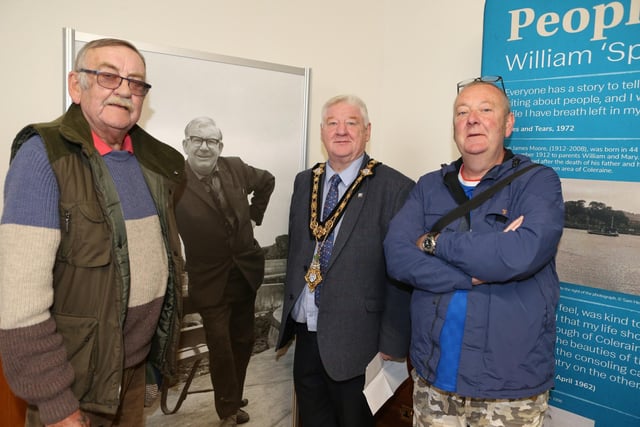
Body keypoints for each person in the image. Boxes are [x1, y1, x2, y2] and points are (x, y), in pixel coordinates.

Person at [0, 38, 186, 426]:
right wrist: (55, 403)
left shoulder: (156, 164)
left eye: (136, 82)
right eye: (108, 76)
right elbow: (19, 302)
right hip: (73, 389)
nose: (123, 89)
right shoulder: (44, 156)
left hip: (131, 377)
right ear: (75, 85)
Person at [383, 77, 564, 427]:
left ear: (508, 124)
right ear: (454, 127)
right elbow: (397, 256)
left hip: (509, 388)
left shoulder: (538, 182)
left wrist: (433, 242)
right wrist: (471, 274)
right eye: (462, 112)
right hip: (433, 379)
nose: (472, 119)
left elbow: (520, 253)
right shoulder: (428, 186)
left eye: (485, 110)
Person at [276, 94, 414, 427]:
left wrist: (394, 344)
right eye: (332, 123)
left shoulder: (394, 187)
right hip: (307, 335)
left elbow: (403, 274)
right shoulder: (304, 181)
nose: (341, 131)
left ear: (367, 131)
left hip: (359, 344)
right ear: (322, 132)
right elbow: (298, 250)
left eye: (351, 123)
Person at [175, 116, 275, 427]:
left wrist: (256, 215)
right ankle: (228, 411)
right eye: (197, 140)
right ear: (186, 144)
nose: (204, 147)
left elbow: (267, 180)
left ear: (220, 146)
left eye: (211, 141)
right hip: (209, 279)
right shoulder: (174, 181)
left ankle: (234, 394)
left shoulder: (235, 168)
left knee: (243, 341)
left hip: (244, 272)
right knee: (220, 346)